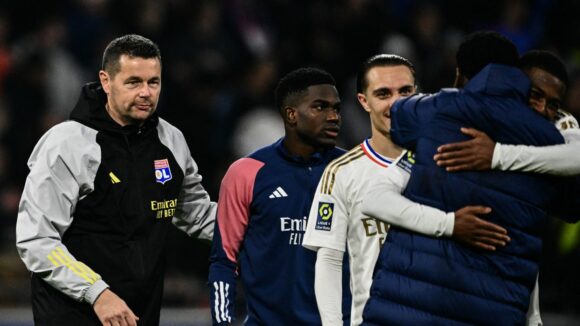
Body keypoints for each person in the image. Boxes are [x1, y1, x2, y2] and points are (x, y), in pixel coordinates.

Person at [361, 31, 580, 325]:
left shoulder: (435, 111)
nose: (543, 109)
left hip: (405, 306)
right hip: (492, 311)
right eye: (537, 97)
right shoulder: (551, 142)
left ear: (460, 74)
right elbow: (571, 205)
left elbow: (397, 116)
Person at [16, 34, 216, 326]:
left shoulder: (170, 139)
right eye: (133, 82)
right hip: (73, 315)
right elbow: (37, 240)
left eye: (154, 82)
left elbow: (196, 214)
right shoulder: (68, 144)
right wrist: (97, 293)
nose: (146, 92)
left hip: (139, 315)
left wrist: (263, 225)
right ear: (106, 82)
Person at [301, 54, 510, 326]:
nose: (396, 102)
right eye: (383, 93)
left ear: (418, 94)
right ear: (364, 101)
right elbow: (329, 259)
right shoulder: (342, 172)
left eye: (405, 91)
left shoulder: (453, 158)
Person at [208, 67, 351, 325]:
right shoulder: (245, 174)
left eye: (337, 108)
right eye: (320, 107)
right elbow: (224, 261)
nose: (333, 117)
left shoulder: (354, 169)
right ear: (291, 114)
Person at [433, 50, 580, 177]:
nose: (542, 108)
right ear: (518, 84)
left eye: (553, 104)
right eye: (535, 95)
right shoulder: (486, 103)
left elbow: (577, 157)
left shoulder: (560, 119)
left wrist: (497, 156)